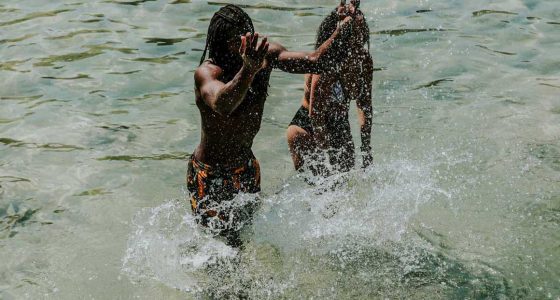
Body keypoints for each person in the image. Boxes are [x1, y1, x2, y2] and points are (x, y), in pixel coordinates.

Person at [187, 4, 354, 246]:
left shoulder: (263, 57)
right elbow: (224, 104)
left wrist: (344, 26)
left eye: (248, 37)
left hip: (246, 169)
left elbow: (318, 61)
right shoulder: (207, 73)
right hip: (210, 175)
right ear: (222, 44)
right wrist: (248, 69)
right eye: (237, 41)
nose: (246, 46)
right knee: (220, 250)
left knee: (246, 241)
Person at [286, 0, 373, 176]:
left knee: (346, 190)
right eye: (355, 31)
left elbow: (364, 105)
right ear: (342, 34)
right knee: (321, 192)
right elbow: (315, 114)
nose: (361, 36)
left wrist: (366, 147)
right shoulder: (326, 65)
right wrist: (327, 153)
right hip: (307, 129)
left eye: (363, 29)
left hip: (339, 125)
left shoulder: (364, 61)